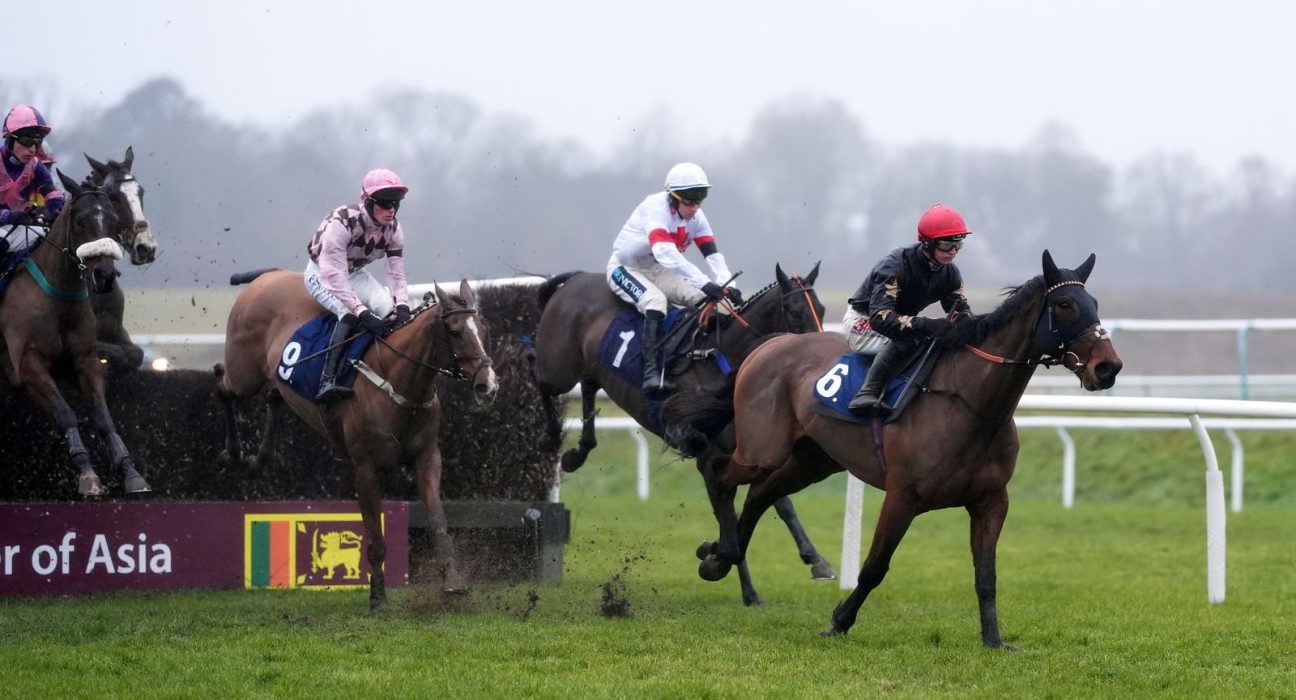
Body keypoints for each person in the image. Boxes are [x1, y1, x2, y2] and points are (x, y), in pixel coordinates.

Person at [607, 162, 742, 397]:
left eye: (700, 199)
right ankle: (650, 373)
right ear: (673, 197)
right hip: (626, 268)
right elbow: (666, 254)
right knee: (655, 301)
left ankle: (698, 360)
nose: (695, 207)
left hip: (658, 270)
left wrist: (727, 284)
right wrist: (705, 282)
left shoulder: (697, 217)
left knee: (701, 299)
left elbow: (712, 254)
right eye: (690, 200)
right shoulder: (655, 208)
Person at [843, 203, 975, 414]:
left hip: (895, 321)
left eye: (958, 244)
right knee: (910, 339)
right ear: (927, 243)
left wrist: (971, 327)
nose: (953, 252)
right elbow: (880, 318)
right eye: (946, 244)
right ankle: (866, 393)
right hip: (864, 321)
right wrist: (927, 325)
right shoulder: (895, 266)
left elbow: (961, 310)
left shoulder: (950, 273)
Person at [305, 168, 412, 401]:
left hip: (355, 273)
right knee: (348, 313)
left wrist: (402, 305)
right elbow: (334, 276)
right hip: (322, 273)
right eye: (385, 203)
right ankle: (327, 380)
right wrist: (362, 312)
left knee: (388, 309)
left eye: (396, 203)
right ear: (369, 202)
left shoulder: (394, 229)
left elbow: (396, 274)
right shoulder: (342, 221)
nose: (392, 210)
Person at [0, 105, 64, 250]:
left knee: (50, 238)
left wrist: (47, 212)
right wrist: (8, 216)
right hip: (6, 227)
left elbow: (54, 195)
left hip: (15, 226)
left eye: (37, 143)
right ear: (9, 138)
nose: (33, 150)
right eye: (27, 142)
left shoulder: (35, 165)